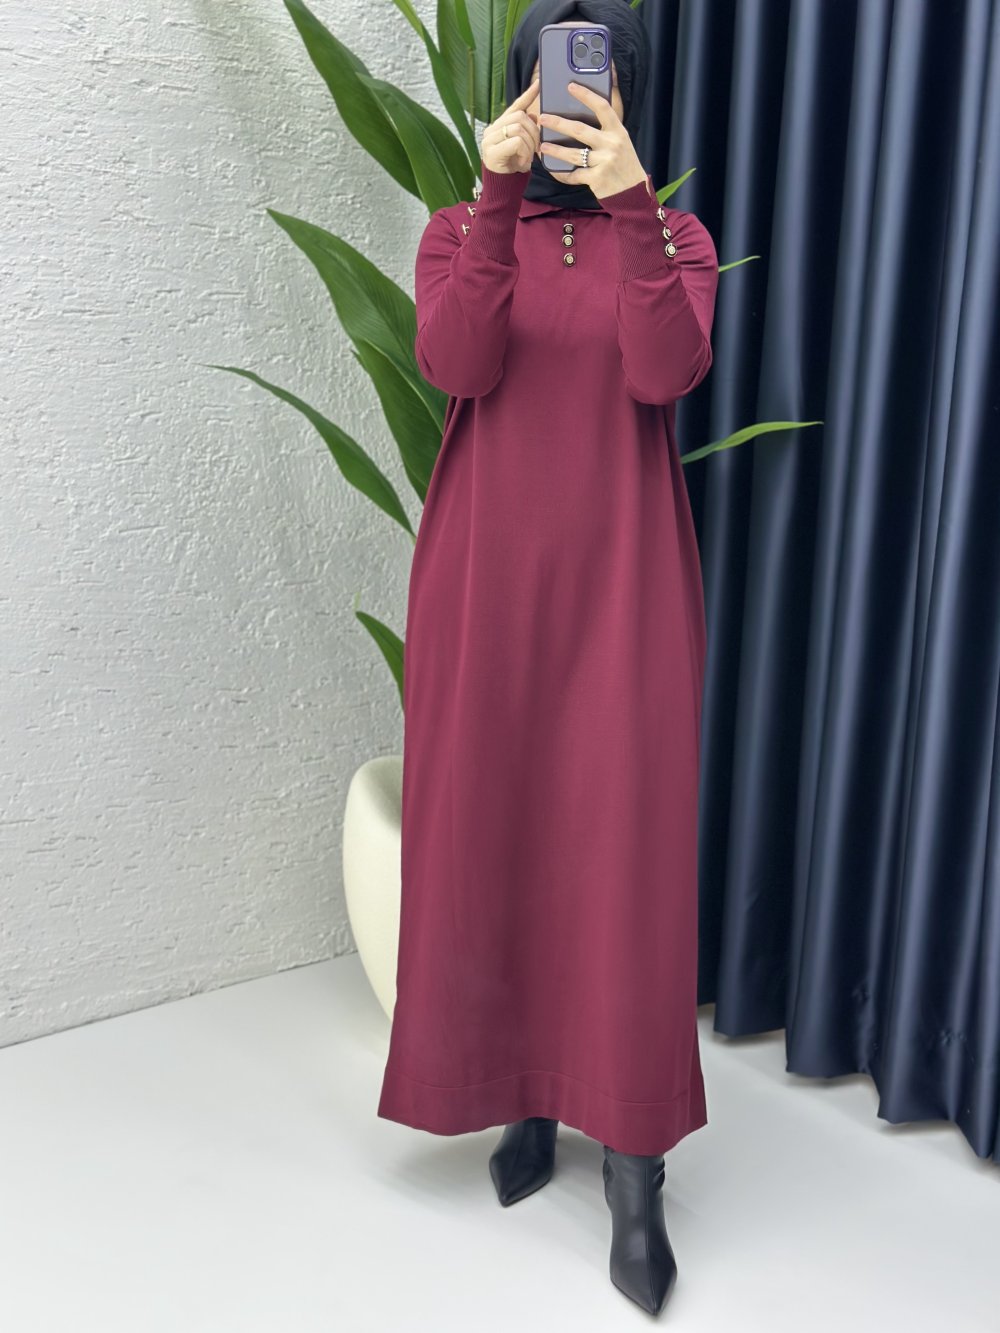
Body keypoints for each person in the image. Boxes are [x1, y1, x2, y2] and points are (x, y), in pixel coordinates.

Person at [376, 0, 719, 1315]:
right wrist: (494, 191)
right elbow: (455, 360)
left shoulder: (673, 239)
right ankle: (522, 1101)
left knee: (621, 863)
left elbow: (663, 374)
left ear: (628, 95)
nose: (576, 98)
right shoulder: (463, 231)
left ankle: (635, 1170)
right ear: (524, 86)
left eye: (600, 77)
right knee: (498, 833)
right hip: (488, 588)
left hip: (625, 591)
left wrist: (630, 205)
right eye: (556, 75)